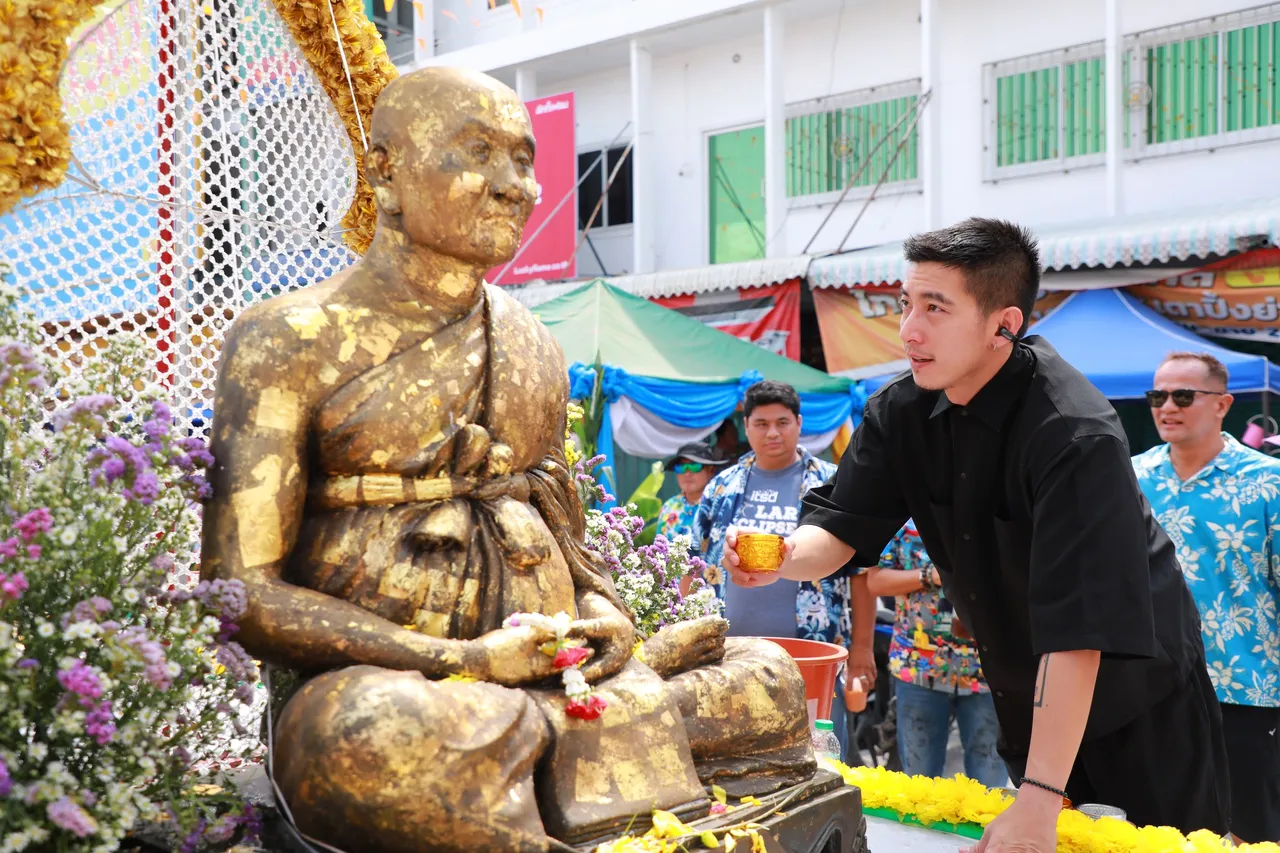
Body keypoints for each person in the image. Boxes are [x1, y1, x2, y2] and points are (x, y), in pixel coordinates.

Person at [201, 67, 818, 853]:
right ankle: (593, 743)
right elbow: (240, 593)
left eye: (524, 159)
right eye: (478, 152)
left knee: (767, 676)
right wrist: (460, 658)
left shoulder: (532, 344)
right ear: (385, 171)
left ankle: (559, 748)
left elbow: (568, 545)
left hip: (545, 683)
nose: (514, 186)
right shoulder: (289, 338)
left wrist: (605, 620)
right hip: (409, 689)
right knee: (359, 739)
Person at [723, 217, 1230, 848]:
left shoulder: (1073, 433)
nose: (910, 329)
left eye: (936, 308)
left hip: (1140, 708)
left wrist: (1039, 795)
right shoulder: (901, 411)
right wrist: (781, 556)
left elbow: (1081, 632)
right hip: (1027, 697)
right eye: (907, 303)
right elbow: (842, 527)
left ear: (1003, 325)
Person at [1133, 352, 1280, 843]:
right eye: (1157, 396)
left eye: (1183, 396)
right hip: (1148, 687)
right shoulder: (1129, 478)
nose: (1167, 407)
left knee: (1249, 836)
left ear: (1223, 404)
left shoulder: (1268, 482)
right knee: (1151, 833)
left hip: (1244, 689)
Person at [693, 380, 878, 706]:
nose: (773, 433)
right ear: (746, 426)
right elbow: (694, 562)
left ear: (799, 423)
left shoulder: (831, 484)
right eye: (761, 424)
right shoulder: (721, 487)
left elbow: (861, 573)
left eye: (782, 422)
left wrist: (862, 648)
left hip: (813, 656)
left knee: (817, 738)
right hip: (729, 658)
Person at [868, 520, 1007, 787]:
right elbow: (874, 580)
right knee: (919, 787)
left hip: (988, 672)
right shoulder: (903, 518)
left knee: (991, 788)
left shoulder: (998, 512)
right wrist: (929, 576)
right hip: (918, 669)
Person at [658, 440, 729, 544]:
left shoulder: (722, 505)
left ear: (711, 470)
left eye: (694, 466)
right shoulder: (669, 507)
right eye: (681, 467)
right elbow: (659, 548)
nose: (687, 473)